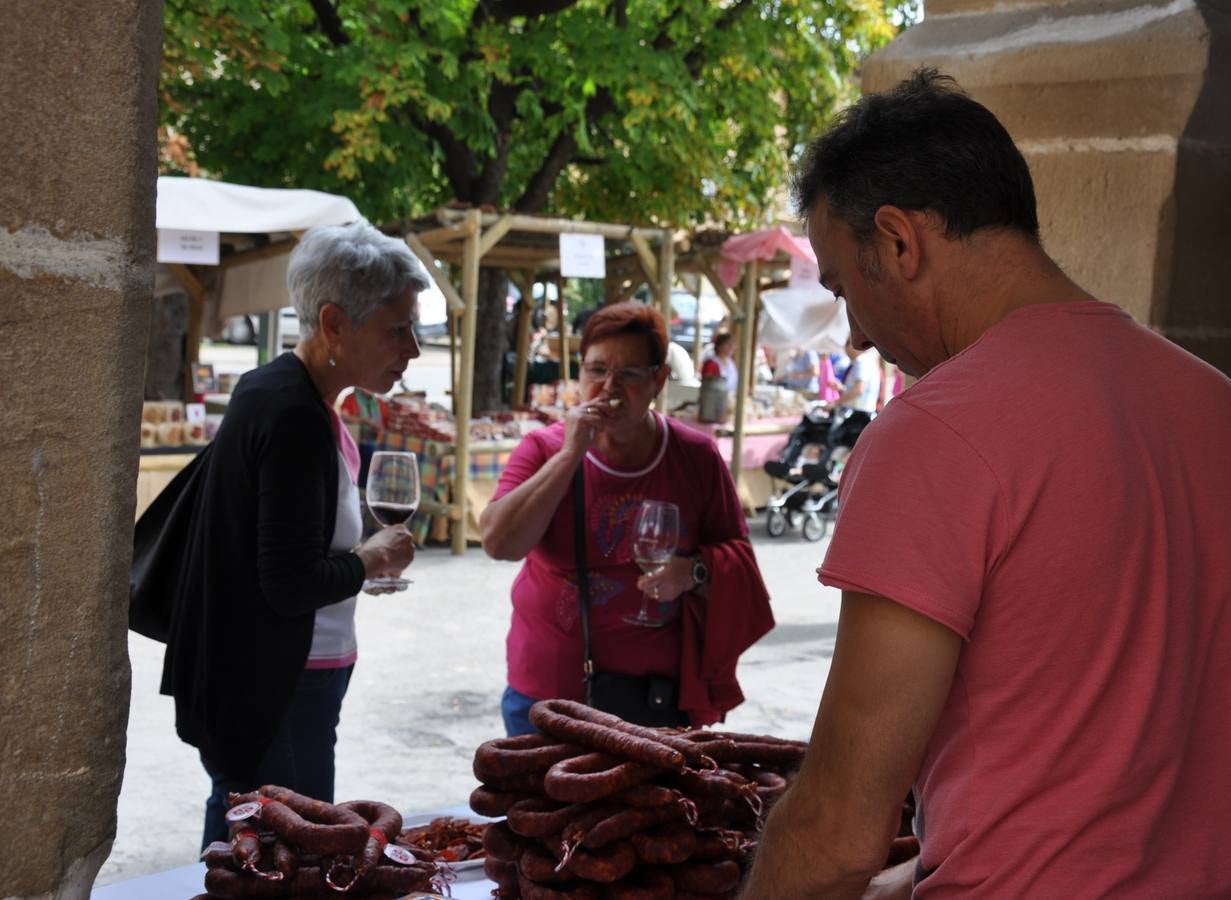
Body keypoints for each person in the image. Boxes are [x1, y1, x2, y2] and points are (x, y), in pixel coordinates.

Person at [742, 69, 1231, 899]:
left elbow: (838, 829)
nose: (854, 334)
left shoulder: (932, 431)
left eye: (842, 287)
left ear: (897, 242)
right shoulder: (1218, 403)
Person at [160, 222, 422, 848]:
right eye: (396, 329)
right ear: (334, 324)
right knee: (289, 857)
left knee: (241, 843)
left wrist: (356, 562)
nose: (412, 349)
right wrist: (366, 559)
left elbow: (268, 551)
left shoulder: (275, 387)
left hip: (257, 678)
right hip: (281, 686)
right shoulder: (293, 414)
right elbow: (287, 582)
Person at [479, 302, 773, 736]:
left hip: (654, 700)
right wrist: (570, 455)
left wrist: (692, 571)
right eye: (596, 371)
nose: (609, 389)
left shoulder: (695, 457)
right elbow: (499, 543)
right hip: (548, 694)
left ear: (658, 380)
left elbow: (740, 561)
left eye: (630, 374)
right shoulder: (545, 448)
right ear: (579, 375)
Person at [837, 345, 882, 412]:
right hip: (861, 412)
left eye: (847, 344)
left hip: (858, 413)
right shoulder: (865, 361)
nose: (845, 348)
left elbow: (859, 389)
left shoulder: (862, 361)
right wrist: (842, 388)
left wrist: (835, 403)